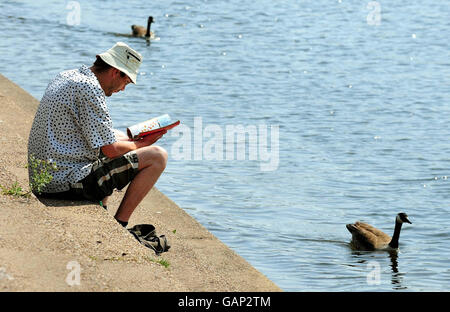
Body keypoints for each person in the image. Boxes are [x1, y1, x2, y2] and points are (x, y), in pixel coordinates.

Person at [27, 42, 168, 228]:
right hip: (63, 184)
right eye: (126, 82)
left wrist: (133, 141)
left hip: (44, 178)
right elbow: (111, 150)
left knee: (116, 135)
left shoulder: (68, 76)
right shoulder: (90, 89)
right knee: (158, 156)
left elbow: (104, 138)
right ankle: (120, 223)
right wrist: (145, 143)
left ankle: (103, 208)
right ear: (116, 72)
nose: (123, 89)